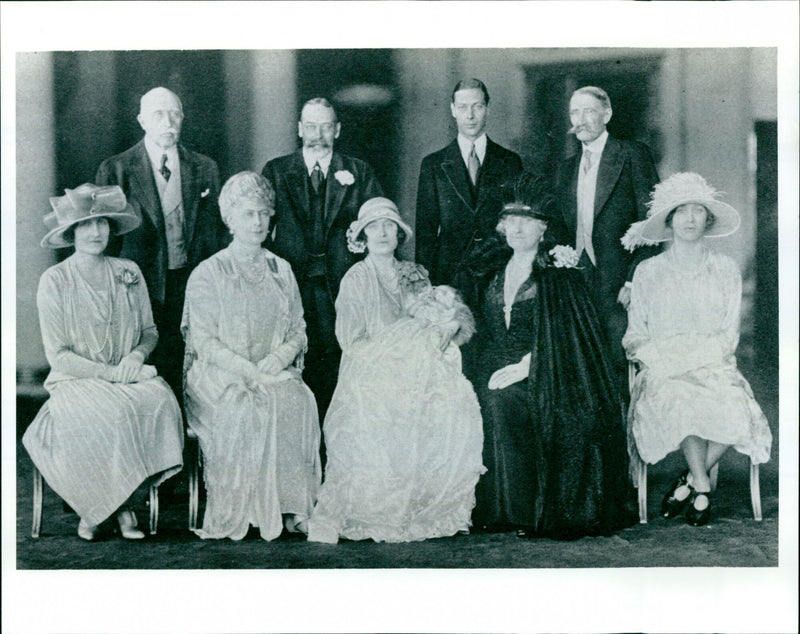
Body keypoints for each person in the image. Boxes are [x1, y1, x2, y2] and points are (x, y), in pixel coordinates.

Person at [463, 173, 635, 540]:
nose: (518, 228)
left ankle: (520, 512)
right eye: (511, 221)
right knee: (464, 398)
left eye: (527, 221)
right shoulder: (492, 272)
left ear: (543, 229)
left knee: (502, 400)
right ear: (502, 227)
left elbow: (567, 340)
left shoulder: (557, 275)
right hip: (493, 364)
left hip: (549, 372)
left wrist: (526, 366)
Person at [307, 197, 484, 544]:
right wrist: (395, 355)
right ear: (363, 237)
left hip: (414, 370)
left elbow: (438, 318)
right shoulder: (356, 278)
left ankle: (424, 503)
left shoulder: (414, 274)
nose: (383, 233)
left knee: (447, 396)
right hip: (369, 372)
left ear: (398, 234)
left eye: (390, 225)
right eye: (374, 227)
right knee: (384, 404)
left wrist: (441, 330)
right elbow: (351, 342)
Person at [22, 184, 184, 541]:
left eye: (103, 223)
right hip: (76, 380)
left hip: (128, 373)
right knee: (108, 412)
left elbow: (149, 330)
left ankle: (123, 503)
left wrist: (137, 354)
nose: (96, 232)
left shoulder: (128, 271)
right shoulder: (55, 280)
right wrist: (110, 373)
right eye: (85, 225)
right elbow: (58, 355)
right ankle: (105, 509)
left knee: (160, 400)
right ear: (70, 232)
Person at [621, 172, 772, 526]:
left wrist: (700, 361)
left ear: (709, 218)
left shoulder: (725, 269)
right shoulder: (648, 271)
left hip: (712, 365)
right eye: (681, 211)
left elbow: (727, 333)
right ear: (669, 220)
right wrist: (666, 363)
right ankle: (702, 486)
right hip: (663, 370)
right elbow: (636, 333)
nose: (690, 219)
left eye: (698, 211)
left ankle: (690, 480)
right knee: (682, 399)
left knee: (737, 410)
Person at [181, 172, 321, 540]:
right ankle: (248, 509)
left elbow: (298, 329)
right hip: (219, 375)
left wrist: (279, 359)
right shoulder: (208, 272)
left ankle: (291, 508)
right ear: (229, 218)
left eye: (263, 213)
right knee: (245, 404)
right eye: (248, 214)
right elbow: (204, 341)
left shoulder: (281, 269)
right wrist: (246, 368)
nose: (258, 222)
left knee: (295, 398)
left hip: (271, 368)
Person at [96, 87, 228, 401]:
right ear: (142, 121)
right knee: (146, 378)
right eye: (158, 114)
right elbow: (105, 243)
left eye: (174, 114)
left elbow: (216, 235)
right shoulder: (115, 169)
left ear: (182, 118)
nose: (168, 121)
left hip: (191, 285)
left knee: (190, 372)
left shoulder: (205, 168)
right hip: (138, 288)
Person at [262, 97, 383, 420]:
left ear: (338, 130)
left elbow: (379, 224)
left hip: (341, 287)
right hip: (291, 285)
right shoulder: (276, 171)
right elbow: (260, 231)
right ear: (300, 129)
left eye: (326, 127)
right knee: (293, 364)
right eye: (311, 126)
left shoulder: (359, 171)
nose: (318, 134)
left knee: (338, 364)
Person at [553, 86, 659, 391]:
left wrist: (633, 279)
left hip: (619, 286)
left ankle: (621, 439)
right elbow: (559, 226)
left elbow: (653, 223)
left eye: (588, 111)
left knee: (617, 365)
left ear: (607, 114)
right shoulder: (565, 169)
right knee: (580, 370)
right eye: (575, 112)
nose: (580, 119)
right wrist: (560, 252)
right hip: (576, 283)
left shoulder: (632, 155)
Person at [416, 78, 523, 288]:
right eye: (463, 107)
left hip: (499, 274)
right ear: (453, 110)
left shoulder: (510, 162)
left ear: (488, 109)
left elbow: (518, 222)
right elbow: (425, 234)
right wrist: (426, 287)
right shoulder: (433, 164)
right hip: (449, 276)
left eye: (478, 106)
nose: (470, 115)